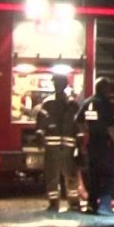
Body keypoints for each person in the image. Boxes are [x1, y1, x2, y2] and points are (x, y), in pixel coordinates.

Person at [36, 74, 81, 214]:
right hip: (56, 146)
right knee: (52, 175)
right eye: (56, 83)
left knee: (70, 175)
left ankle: (73, 204)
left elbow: (79, 125)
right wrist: (40, 136)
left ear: (65, 85)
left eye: (59, 83)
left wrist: (79, 143)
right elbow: (40, 124)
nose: (57, 85)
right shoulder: (50, 103)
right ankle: (54, 204)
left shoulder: (72, 104)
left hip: (65, 146)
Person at [77, 76, 114, 215]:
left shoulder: (87, 102)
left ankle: (92, 205)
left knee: (93, 175)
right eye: (108, 88)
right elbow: (110, 127)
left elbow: (77, 120)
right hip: (104, 145)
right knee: (109, 173)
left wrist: (86, 132)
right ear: (104, 88)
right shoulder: (106, 104)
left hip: (92, 144)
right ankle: (105, 205)